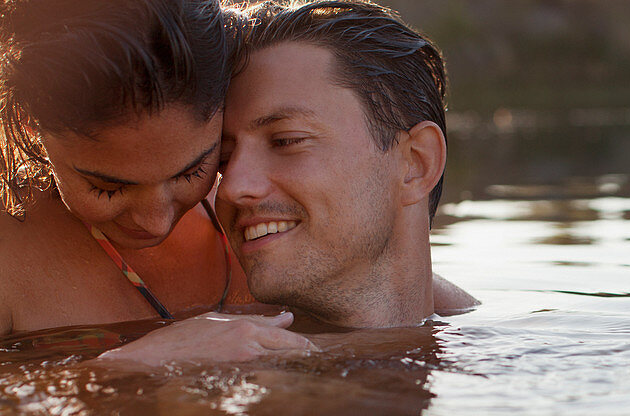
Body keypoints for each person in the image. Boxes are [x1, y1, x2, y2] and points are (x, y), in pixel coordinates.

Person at [101, 0, 477, 365]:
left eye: (286, 141)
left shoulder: (509, 350)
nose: (231, 188)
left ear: (415, 164)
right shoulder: (202, 356)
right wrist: (128, 367)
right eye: (224, 159)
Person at [0, 0, 255, 336]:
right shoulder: (9, 262)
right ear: (30, 122)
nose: (156, 221)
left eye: (190, 172)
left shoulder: (269, 211)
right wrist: (125, 366)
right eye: (108, 188)